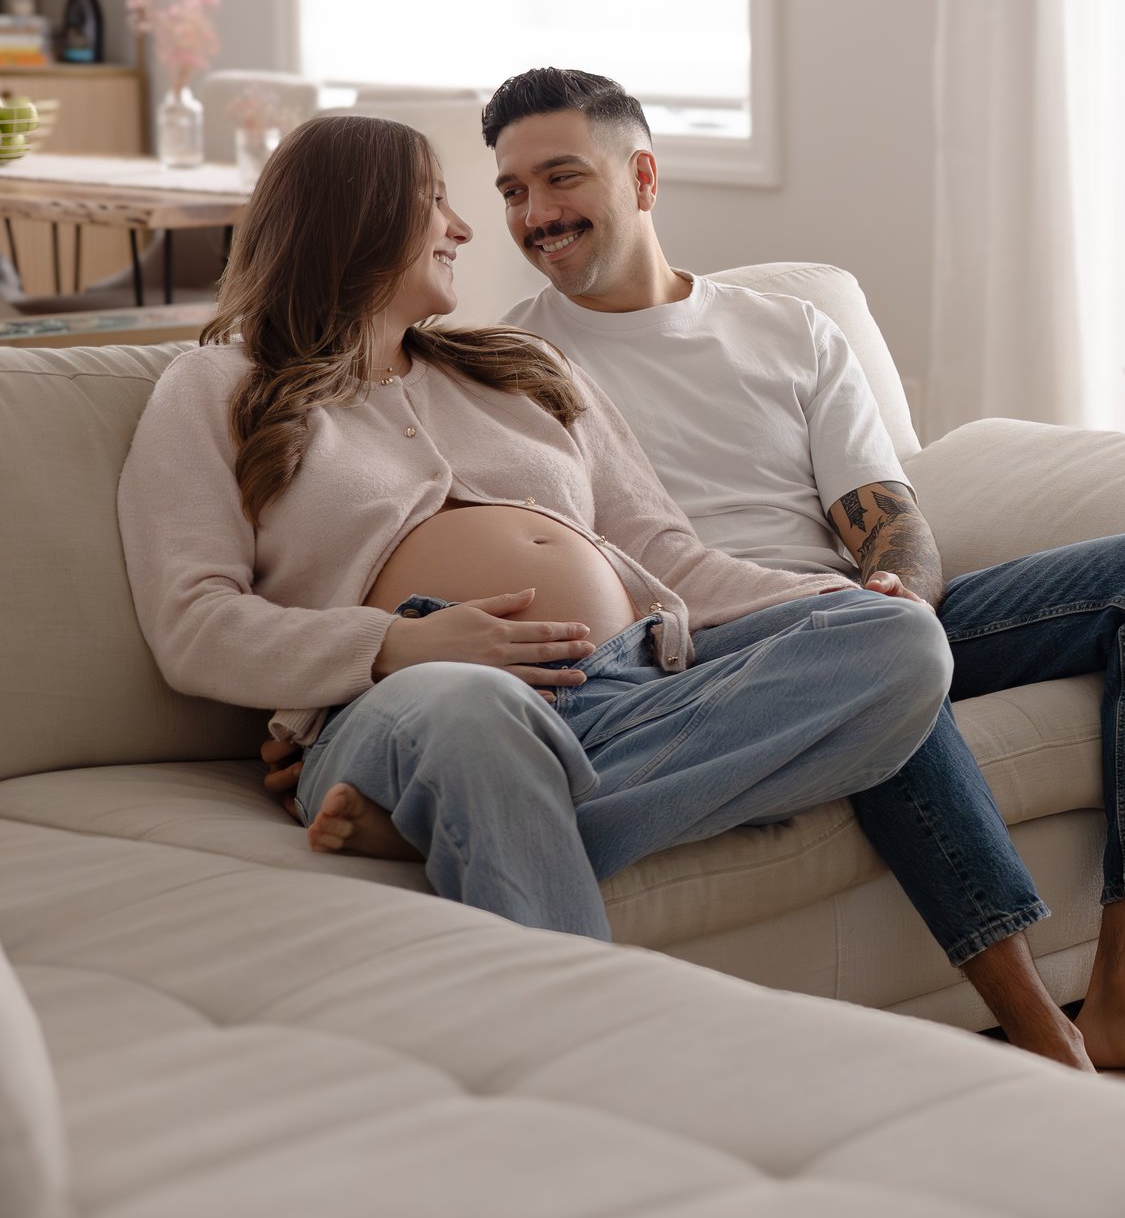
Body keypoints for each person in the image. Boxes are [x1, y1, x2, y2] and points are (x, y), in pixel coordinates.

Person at [264, 72, 1125, 1097]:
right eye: (512, 191)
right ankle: (1033, 1028)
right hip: (686, 648)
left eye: (560, 179)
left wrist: (892, 593)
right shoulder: (516, 358)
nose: (533, 217)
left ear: (642, 174)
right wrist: (353, 677)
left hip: (827, 609)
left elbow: (888, 512)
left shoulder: (788, 328)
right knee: (863, 672)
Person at [118, 114, 953, 943]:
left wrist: (834, 595)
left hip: (627, 689)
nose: (464, 228)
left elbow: (665, 555)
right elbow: (191, 621)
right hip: (411, 699)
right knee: (475, 708)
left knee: (900, 641)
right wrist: (393, 647)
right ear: (357, 214)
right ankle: (569, 1002)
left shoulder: (520, 366)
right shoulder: (219, 388)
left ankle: (463, 811)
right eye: (434, 202)